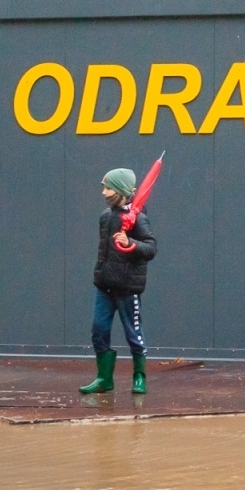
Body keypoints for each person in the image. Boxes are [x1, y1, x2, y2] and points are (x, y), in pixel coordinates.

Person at [80, 167, 158, 395]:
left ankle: (139, 377)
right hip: (104, 286)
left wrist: (131, 243)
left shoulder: (139, 219)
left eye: (108, 187)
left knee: (134, 332)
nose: (104, 193)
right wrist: (100, 274)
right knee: (99, 330)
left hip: (127, 288)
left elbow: (151, 248)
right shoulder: (105, 217)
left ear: (121, 191)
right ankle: (104, 378)